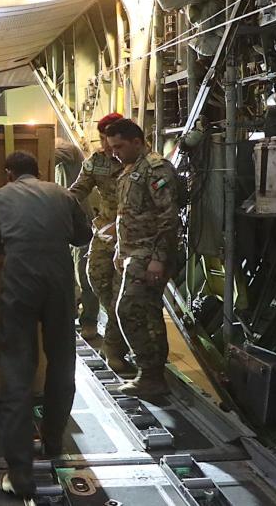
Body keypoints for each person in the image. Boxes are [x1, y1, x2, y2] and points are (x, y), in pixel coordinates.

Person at [0, 150, 92, 498]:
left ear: (8, 172)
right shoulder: (63, 194)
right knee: (62, 360)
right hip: (59, 280)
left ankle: (19, 471)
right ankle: (54, 440)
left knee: (17, 368)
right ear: (40, 170)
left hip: (20, 281)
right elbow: (83, 236)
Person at [107, 118, 181, 399]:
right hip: (133, 253)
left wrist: (159, 259)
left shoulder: (155, 168)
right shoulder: (130, 169)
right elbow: (125, 215)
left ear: (137, 142)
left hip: (149, 253)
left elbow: (168, 217)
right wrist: (120, 250)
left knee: (132, 309)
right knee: (139, 311)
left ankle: (150, 374)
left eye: (120, 146)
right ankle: (150, 374)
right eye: (112, 147)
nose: (115, 152)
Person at [69, 112, 136, 377]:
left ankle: (115, 350)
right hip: (105, 232)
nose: (108, 146)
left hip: (131, 235)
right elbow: (77, 190)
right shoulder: (95, 162)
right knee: (95, 278)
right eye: (104, 139)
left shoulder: (139, 161)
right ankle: (114, 329)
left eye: (113, 140)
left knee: (122, 295)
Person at [54, 137, 101, 346]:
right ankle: (72, 313)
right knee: (66, 273)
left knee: (85, 272)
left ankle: (89, 320)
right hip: (60, 222)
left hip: (80, 222)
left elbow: (59, 151)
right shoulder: (56, 167)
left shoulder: (69, 152)